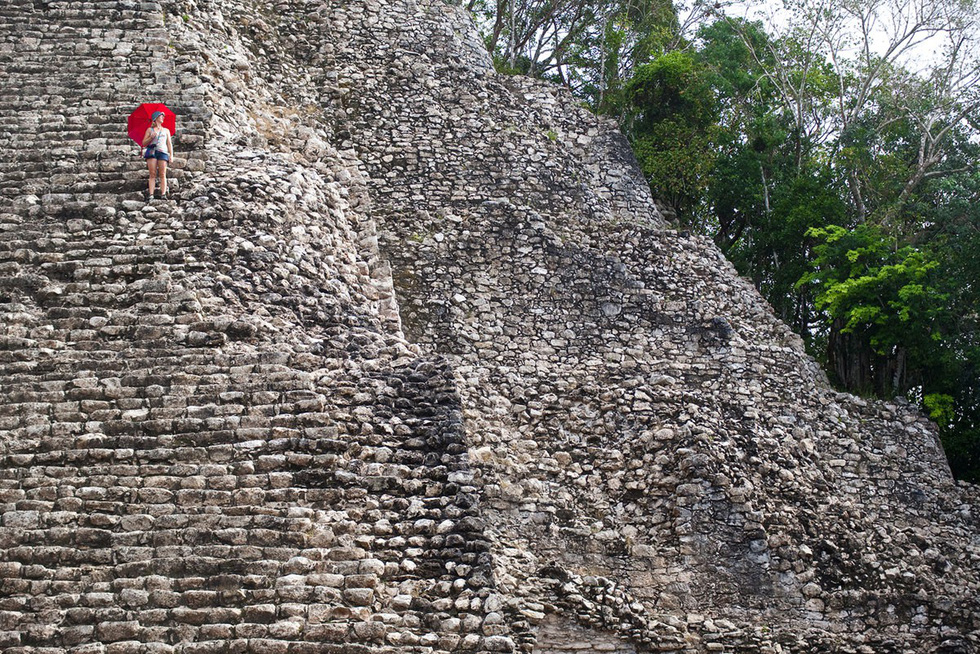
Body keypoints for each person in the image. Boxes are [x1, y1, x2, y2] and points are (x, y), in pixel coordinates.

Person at [141, 111, 173, 199]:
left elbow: (169, 144)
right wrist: (151, 137)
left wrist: (171, 155)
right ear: (156, 118)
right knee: (152, 173)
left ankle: (163, 193)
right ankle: (151, 194)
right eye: (161, 116)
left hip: (163, 152)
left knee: (163, 173)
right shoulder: (150, 130)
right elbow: (144, 142)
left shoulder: (166, 130)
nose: (163, 117)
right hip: (152, 151)